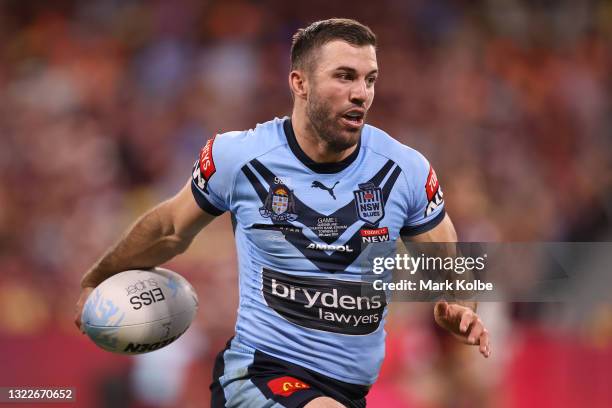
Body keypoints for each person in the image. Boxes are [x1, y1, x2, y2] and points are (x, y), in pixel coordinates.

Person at [74, 18, 490, 408]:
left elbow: (447, 269)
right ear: (300, 83)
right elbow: (168, 229)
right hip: (257, 376)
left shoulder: (405, 171)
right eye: (344, 76)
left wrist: (461, 307)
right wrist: (99, 277)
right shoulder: (240, 158)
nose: (361, 92)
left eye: (369, 79)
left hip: (347, 391)